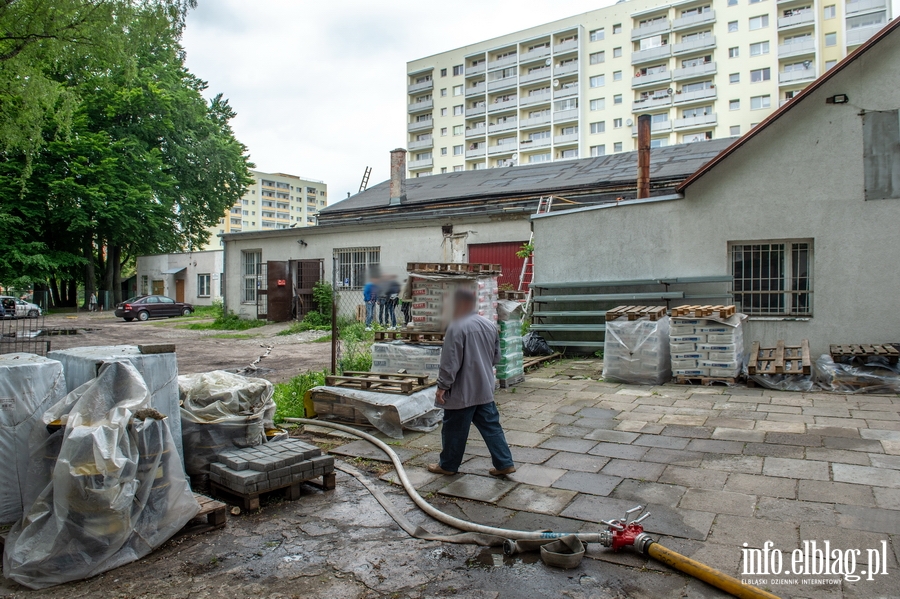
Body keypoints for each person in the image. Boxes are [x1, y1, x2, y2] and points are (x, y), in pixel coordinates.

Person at [428, 289, 515, 477]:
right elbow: (496, 356)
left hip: (462, 391)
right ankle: (504, 463)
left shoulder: (456, 327)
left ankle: (448, 465)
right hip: (484, 388)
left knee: (454, 429)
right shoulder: (488, 325)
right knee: (491, 427)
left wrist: (442, 386)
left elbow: (450, 362)